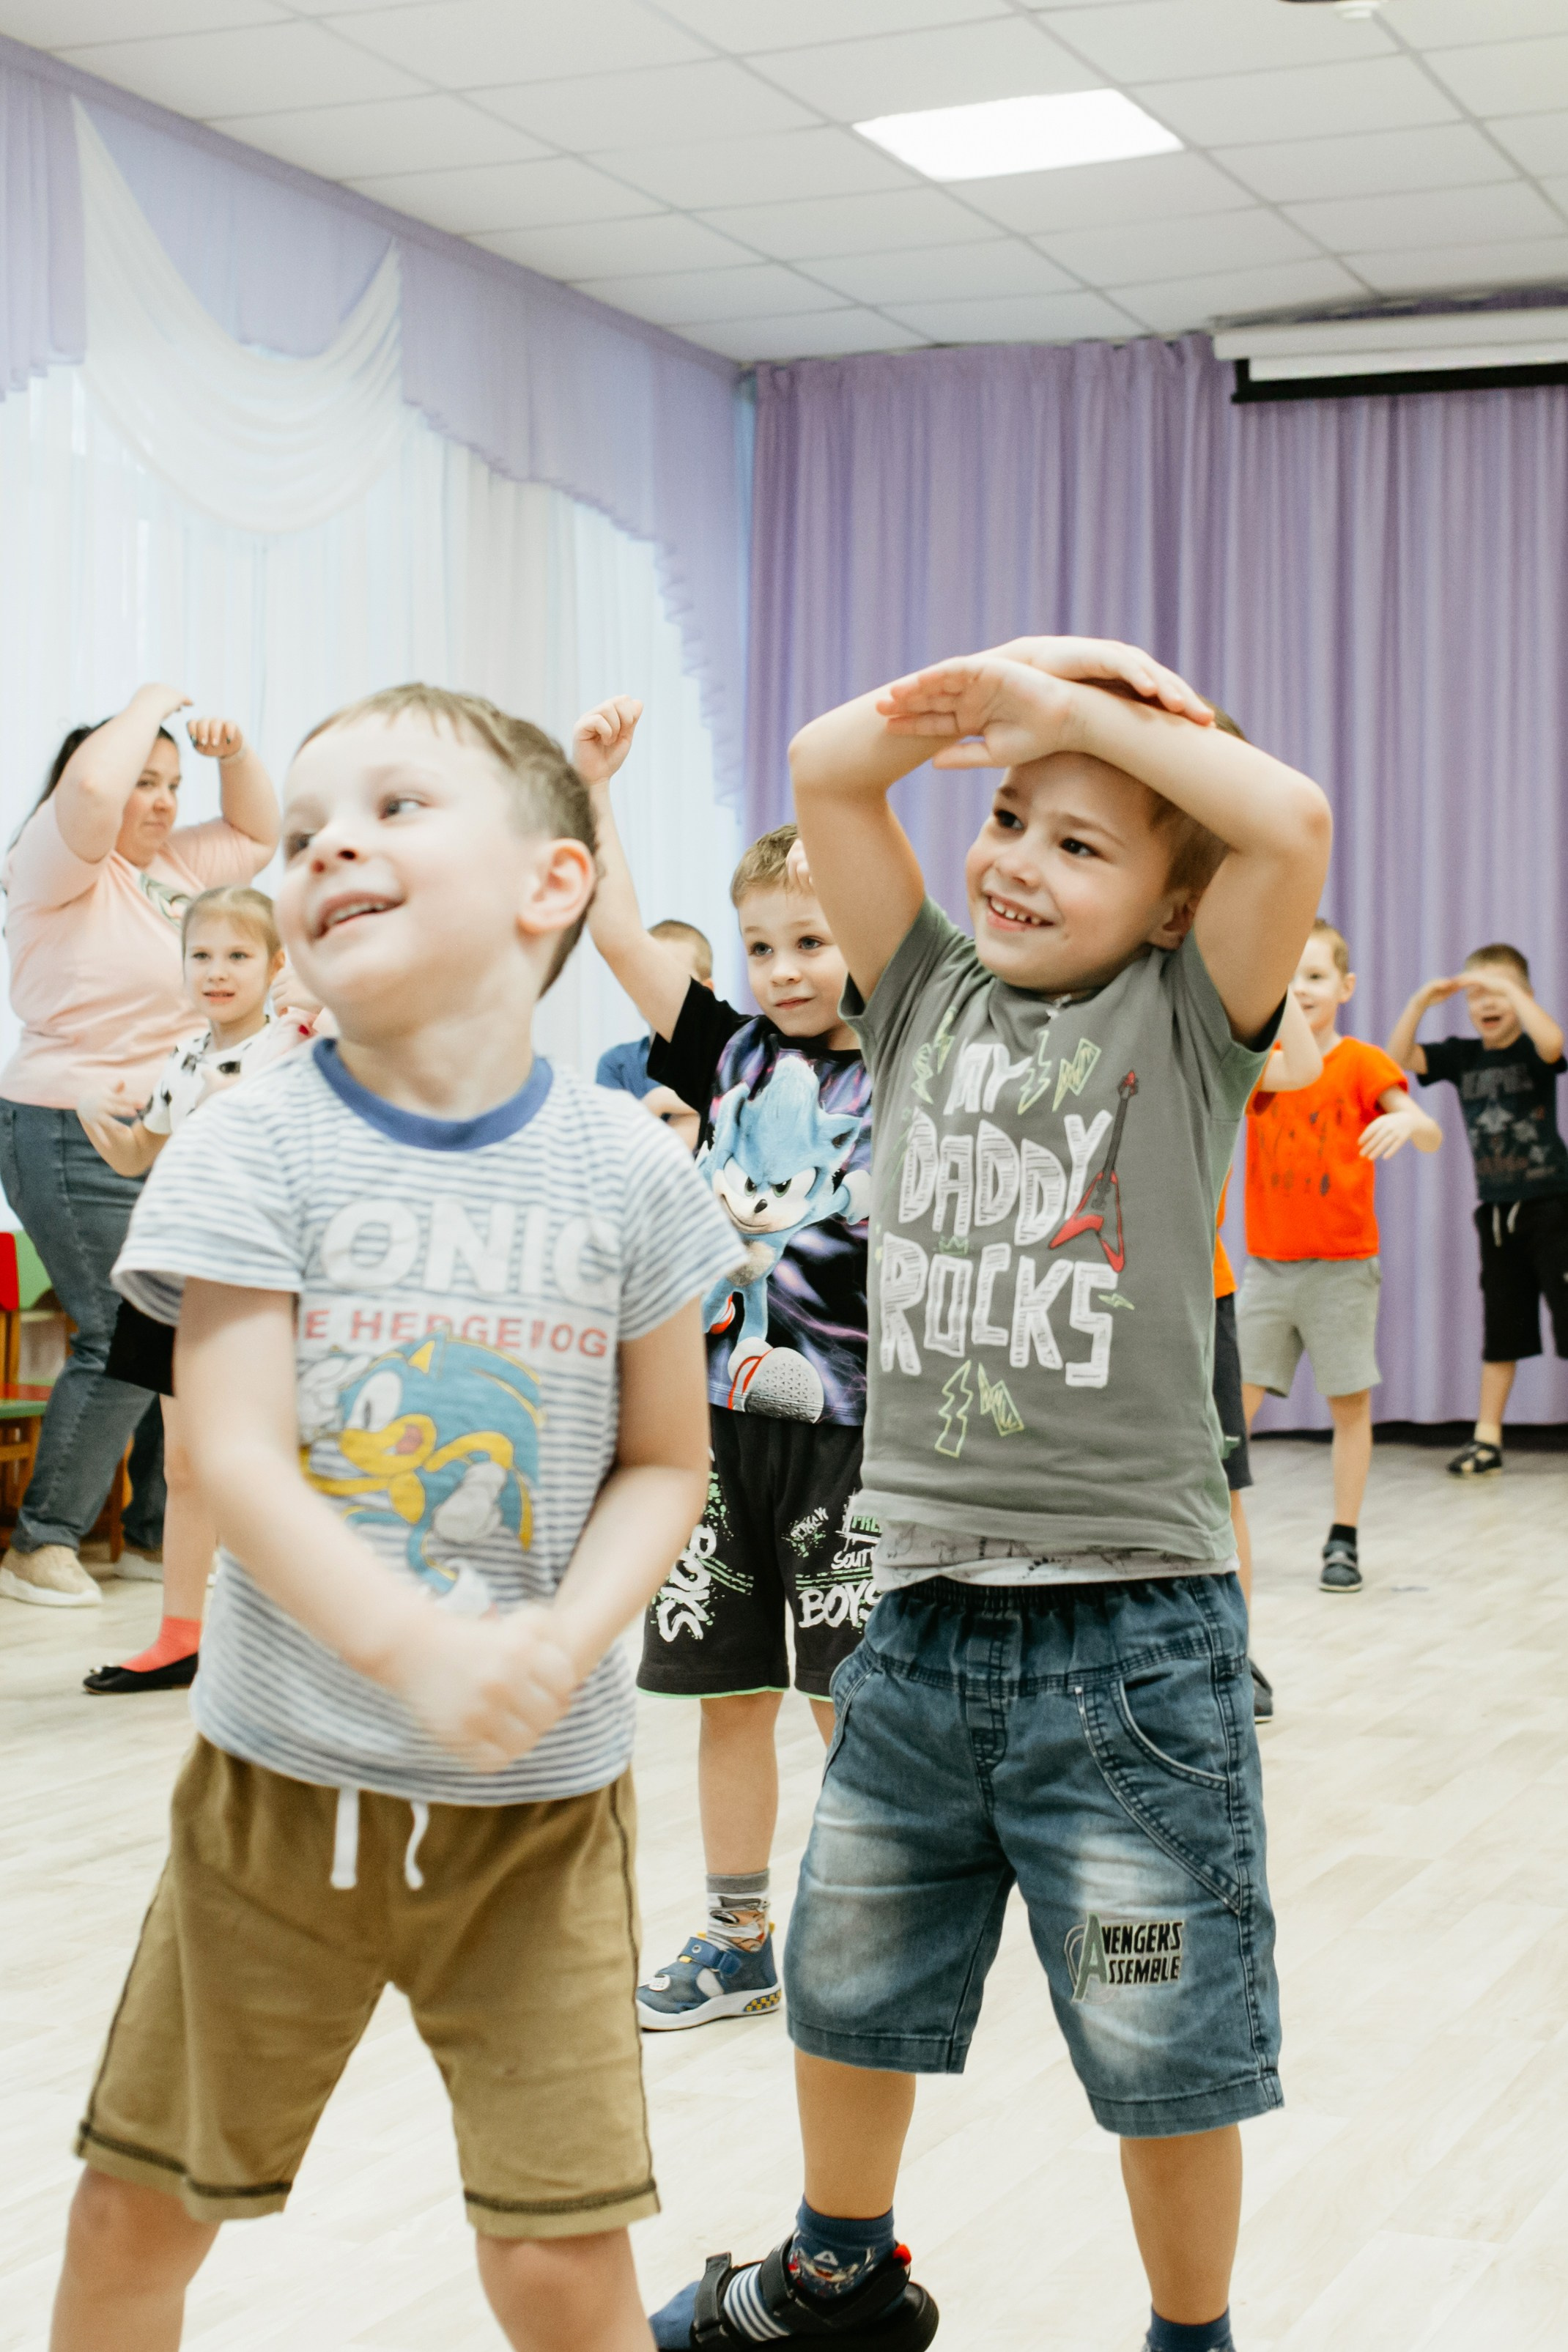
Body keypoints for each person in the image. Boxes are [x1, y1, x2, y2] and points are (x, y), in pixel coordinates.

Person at [649, 632, 1332, 2352]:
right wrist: (1015, 679)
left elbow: (1289, 819)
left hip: (1128, 1649)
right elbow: (826, 766)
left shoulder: (1182, 1025)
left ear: (1176, 904)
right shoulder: (926, 992)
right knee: (846, 1970)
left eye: (1081, 842)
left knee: (1155, 2022)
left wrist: (1091, 718)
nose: (1017, 858)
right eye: (1009, 815)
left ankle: (1191, 2330)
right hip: (923, 1612)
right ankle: (835, 2274)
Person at [49, 682, 738, 2352]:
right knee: (140, 2206)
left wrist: (563, 1641)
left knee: (562, 2255)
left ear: (549, 881)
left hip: (540, 1822)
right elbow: (231, 1449)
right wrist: (413, 1645)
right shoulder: (248, 1143)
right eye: (300, 833)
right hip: (279, 1800)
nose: (328, 840)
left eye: (393, 807)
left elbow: (663, 1461)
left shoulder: (631, 1170)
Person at [575, 694, 875, 2033]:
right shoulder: (727, 1047)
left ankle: (878, 1925)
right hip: (716, 1427)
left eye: (812, 939)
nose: (786, 967)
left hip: (855, 1430)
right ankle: (741, 1935)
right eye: (762, 945)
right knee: (725, 1690)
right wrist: (594, 785)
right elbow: (615, 931)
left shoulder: (916, 1060)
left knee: (845, 1699)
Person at [0, 689, 278, 1610]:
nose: (161, 801)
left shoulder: (178, 866)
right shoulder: (57, 865)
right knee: (123, 1325)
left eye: (172, 783)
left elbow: (257, 830)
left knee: (182, 1328)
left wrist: (232, 750)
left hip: (168, 1130)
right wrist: (152, 701)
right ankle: (41, 1540)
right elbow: (85, 790)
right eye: (142, 784)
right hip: (63, 1123)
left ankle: (158, 1529)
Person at [76, 887, 292, 1694]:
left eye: (238, 955)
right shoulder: (183, 1057)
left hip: (256, 1280)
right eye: (201, 955)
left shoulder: (294, 1049)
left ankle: (276, 1638)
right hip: (178, 1270)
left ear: (276, 966)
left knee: (267, 1463)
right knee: (190, 1468)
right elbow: (141, 1157)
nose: (216, 971)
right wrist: (104, 1122)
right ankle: (179, 1637)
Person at [1239, 922, 1441, 1594]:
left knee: (1349, 1405)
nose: (1301, 989)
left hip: (1342, 1269)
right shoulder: (1261, 1062)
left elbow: (1429, 1130)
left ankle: (1344, 1538)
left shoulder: (1362, 1063)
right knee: (1228, 1412)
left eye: (1317, 976)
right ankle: (1215, 1537)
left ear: (1346, 987)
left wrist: (1411, 1122)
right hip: (1266, 1268)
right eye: (1290, 977)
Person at [1388, 944, 1568, 1478]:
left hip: (1553, 1207)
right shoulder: (1463, 1056)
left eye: (1502, 992)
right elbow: (1397, 1057)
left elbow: (1555, 1043)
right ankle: (1487, 1440)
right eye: (1478, 993)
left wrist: (1512, 988)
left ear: (1523, 997)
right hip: (1494, 1215)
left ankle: (1489, 1438)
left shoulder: (1535, 1050)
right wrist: (1422, 1000)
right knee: (1501, 1329)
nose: (1488, 1002)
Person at [1216, 991, 1322, 1719]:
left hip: (1200, 1295)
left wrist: (1274, 974)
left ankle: (1231, 1654)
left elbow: (1304, 1064)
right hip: (1090, 1298)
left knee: (1220, 1488)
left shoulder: (1215, 1057)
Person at [596, 920, 714, 1100]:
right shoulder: (617, 1065)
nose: (655, 987)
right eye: (644, 975)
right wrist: (655, 1104)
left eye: (672, 977)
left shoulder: (726, 1057)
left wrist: (661, 1101)